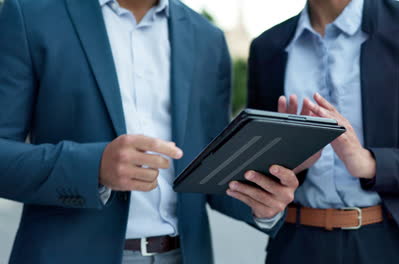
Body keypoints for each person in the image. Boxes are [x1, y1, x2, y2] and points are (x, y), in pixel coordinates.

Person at [0, 0, 301, 263]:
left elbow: (210, 172)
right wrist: (93, 167)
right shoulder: (31, 15)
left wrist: (266, 201)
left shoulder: (207, 38)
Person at [247, 0, 399, 263]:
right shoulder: (267, 47)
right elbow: (255, 169)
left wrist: (371, 164)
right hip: (297, 246)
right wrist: (288, 163)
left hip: (396, 246)